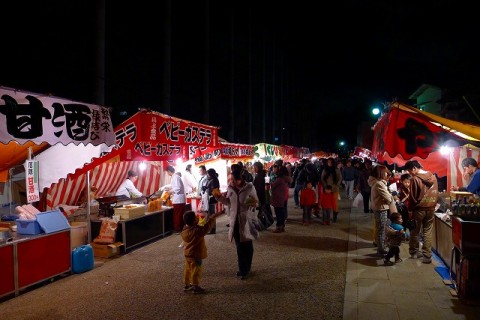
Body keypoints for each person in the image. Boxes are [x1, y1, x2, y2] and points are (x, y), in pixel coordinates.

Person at [215, 168, 259, 280]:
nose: (232, 181)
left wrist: (249, 202)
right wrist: (219, 198)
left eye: (235, 180)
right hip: (234, 221)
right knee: (239, 247)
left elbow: (256, 202)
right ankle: (243, 269)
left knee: (247, 246)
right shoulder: (230, 188)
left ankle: (247, 268)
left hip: (246, 220)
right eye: (231, 179)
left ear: (241, 179)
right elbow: (229, 203)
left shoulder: (249, 187)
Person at [181, 210, 223, 294]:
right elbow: (206, 228)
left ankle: (187, 284)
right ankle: (195, 286)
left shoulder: (184, 230)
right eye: (196, 218)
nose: (197, 218)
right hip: (196, 255)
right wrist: (211, 219)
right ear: (193, 221)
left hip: (187, 254)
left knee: (188, 269)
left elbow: (199, 227)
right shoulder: (197, 231)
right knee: (196, 270)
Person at [404, 160, 438, 264]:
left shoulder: (415, 179)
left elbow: (413, 197)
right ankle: (427, 256)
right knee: (427, 231)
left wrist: (410, 210)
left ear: (414, 168)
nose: (410, 173)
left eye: (410, 171)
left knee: (415, 231)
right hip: (431, 207)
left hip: (419, 209)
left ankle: (414, 252)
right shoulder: (433, 176)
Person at [368, 164, 396, 256]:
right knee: (381, 229)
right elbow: (388, 197)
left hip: (377, 207)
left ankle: (381, 247)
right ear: (381, 173)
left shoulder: (376, 182)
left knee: (380, 228)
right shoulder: (379, 184)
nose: (387, 174)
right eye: (385, 172)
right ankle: (381, 249)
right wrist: (391, 196)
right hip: (381, 208)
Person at [160, 165, 186, 234]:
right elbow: (172, 185)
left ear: (169, 171)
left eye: (167, 172)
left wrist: (170, 191)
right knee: (179, 214)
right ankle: (180, 228)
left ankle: (178, 229)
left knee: (178, 214)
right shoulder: (175, 177)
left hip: (179, 200)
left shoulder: (175, 177)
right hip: (179, 199)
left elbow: (177, 188)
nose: (167, 174)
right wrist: (164, 187)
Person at [321, 157, 342, 222]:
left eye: (331, 162)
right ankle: (327, 216)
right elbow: (322, 178)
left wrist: (337, 185)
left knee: (334, 203)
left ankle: (335, 215)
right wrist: (325, 186)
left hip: (334, 188)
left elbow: (340, 178)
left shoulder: (336, 170)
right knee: (327, 202)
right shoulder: (325, 170)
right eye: (328, 162)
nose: (329, 163)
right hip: (327, 189)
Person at [270, 165, 290, 233]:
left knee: (279, 213)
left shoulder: (279, 179)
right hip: (283, 197)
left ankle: (279, 227)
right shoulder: (285, 179)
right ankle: (282, 226)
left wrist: (269, 184)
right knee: (281, 213)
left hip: (278, 198)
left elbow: (272, 186)